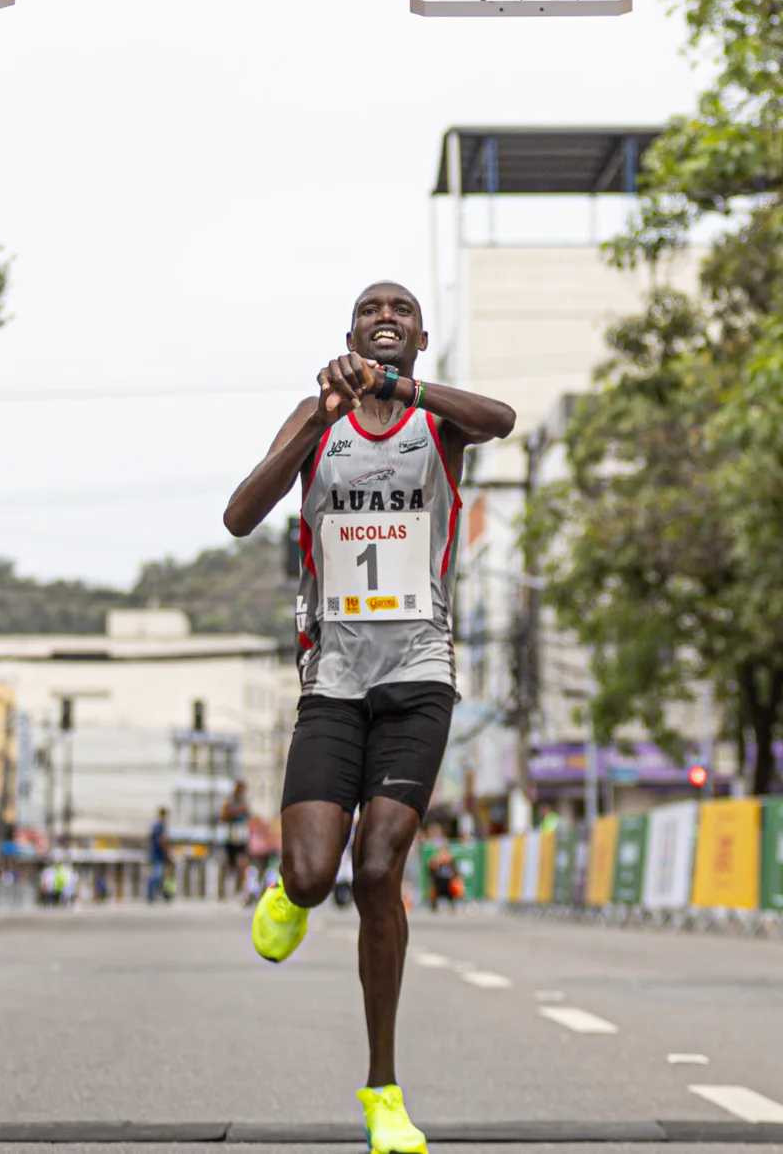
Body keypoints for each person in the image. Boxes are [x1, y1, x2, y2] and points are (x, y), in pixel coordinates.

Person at [222, 280, 516, 1154]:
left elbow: (501, 416)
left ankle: (382, 1088)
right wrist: (320, 418)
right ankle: (291, 889)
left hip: (419, 675)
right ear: (348, 333)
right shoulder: (319, 419)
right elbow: (240, 515)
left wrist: (406, 390)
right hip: (335, 681)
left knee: (380, 862)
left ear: (420, 339)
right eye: (368, 309)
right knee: (317, 874)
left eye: (400, 310)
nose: (384, 315)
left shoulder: (440, 422)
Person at [217, 778, 252, 897]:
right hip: (230, 836)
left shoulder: (244, 801)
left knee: (243, 863)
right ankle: (223, 890)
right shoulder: (229, 801)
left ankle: (241, 890)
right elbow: (223, 816)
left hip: (241, 836)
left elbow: (248, 816)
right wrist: (236, 812)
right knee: (229, 864)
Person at [147, 806, 173, 901]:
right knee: (157, 875)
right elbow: (161, 841)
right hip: (158, 855)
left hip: (158, 855)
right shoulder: (159, 825)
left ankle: (164, 894)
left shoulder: (159, 825)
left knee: (161, 875)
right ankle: (151, 894)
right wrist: (167, 853)